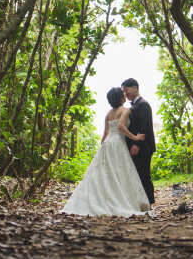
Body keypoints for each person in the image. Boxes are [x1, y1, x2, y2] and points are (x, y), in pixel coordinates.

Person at [60, 87, 151, 216]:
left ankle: (104, 198)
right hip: (118, 143)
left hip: (107, 143)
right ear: (122, 98)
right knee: (119, 173)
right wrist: (135, 137)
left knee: (106, 173)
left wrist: (102, 147)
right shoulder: (124, 110)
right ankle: (120, 199)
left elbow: (105, 133)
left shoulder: (108, 114)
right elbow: (121, 127)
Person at [121, 78, 156, 205]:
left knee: (144, 175)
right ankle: (141, 202)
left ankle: (149, 203)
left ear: (135, 87)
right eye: (123, 91)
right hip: (137, 146)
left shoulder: (143, 104)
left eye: (127, 89)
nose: (125, 93)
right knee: (138, 175)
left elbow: (144, 127)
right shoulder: (135, 105)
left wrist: (136, 144)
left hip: (143, 147)